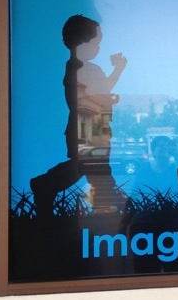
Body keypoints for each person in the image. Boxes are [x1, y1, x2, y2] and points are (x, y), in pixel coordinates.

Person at [31, 14, 127, 216]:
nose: (98, 48)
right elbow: (87, 96)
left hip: (89, 126)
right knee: (95, 168)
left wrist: (113, 81)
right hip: (89, 127)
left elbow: (95, 92)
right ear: (82, 43)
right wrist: (108, 97)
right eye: (95, 43)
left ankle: (47, 185)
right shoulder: (85, 69)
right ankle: (107, 203)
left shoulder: (77, 68)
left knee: (87, 167)